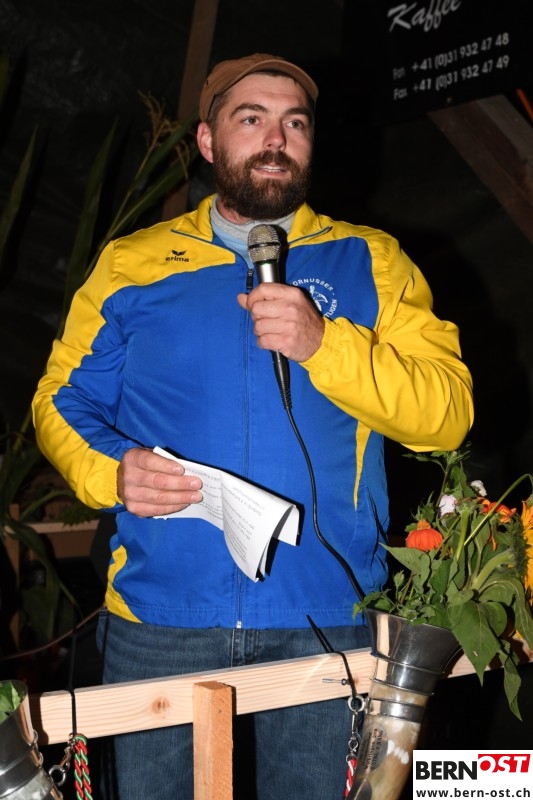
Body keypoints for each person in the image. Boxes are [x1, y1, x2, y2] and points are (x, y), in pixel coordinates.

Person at [32, 53, 474, 800]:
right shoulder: (132, 264)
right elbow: (60, 400)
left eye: (294, 123)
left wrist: (324, 344)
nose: (276, 139)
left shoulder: (372, 260)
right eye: (251, 119)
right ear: (208, 142)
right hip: (160, 620)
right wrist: (111, 471)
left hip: (325, 621)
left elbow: (447, 416)